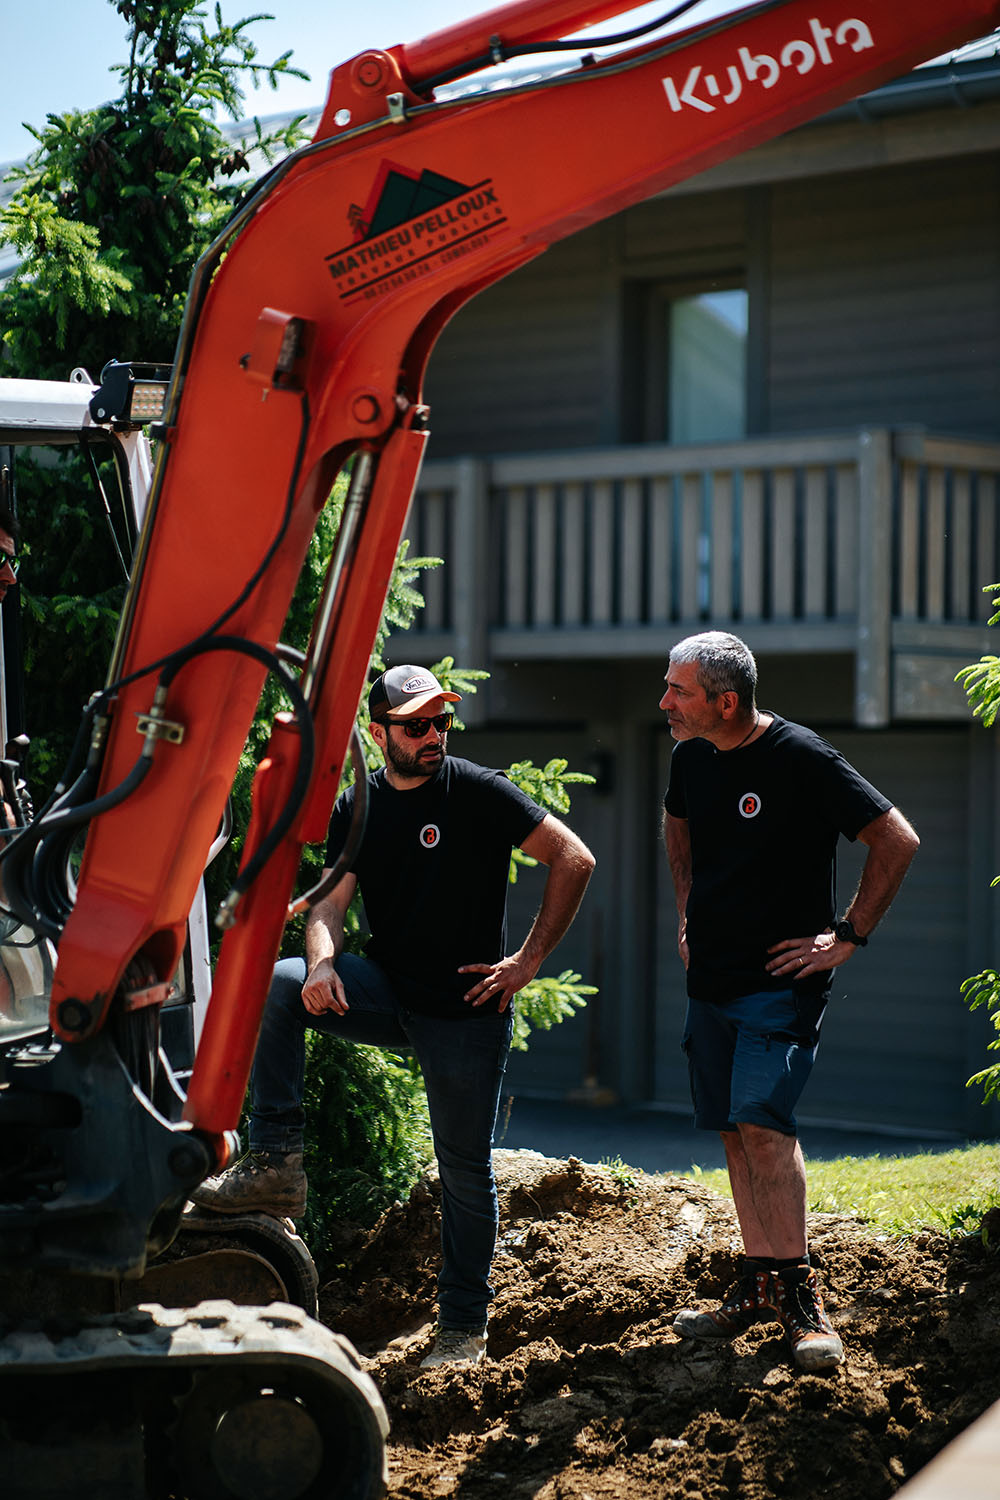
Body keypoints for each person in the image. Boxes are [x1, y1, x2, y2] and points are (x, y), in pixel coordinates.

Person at [193, 664, 596, 1368]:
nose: (433, 734)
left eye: (441, 721)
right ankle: (277, 1160)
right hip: (388, 992)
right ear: (381, 735)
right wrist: (321, 963)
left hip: (466, 1013)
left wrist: (527, 961)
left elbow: (574, 857)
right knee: (279, 982)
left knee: (464, 1171)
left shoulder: (479, 792)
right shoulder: (360, 805)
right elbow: (329, 902)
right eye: (416, 725)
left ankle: (464, 1328)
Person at [660, 631, 919, 1373]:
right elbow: (678, 825)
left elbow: (895, 839)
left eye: (677, 691)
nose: (665, 703)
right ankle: (757, 1283)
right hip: (709, 983)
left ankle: (803, 1296)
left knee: (763, 1126)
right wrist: (686, 909)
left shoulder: (801, 758)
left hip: (779, 988)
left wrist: (847, 936)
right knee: (735, 1136)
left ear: (725, 701)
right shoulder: (689, 757)